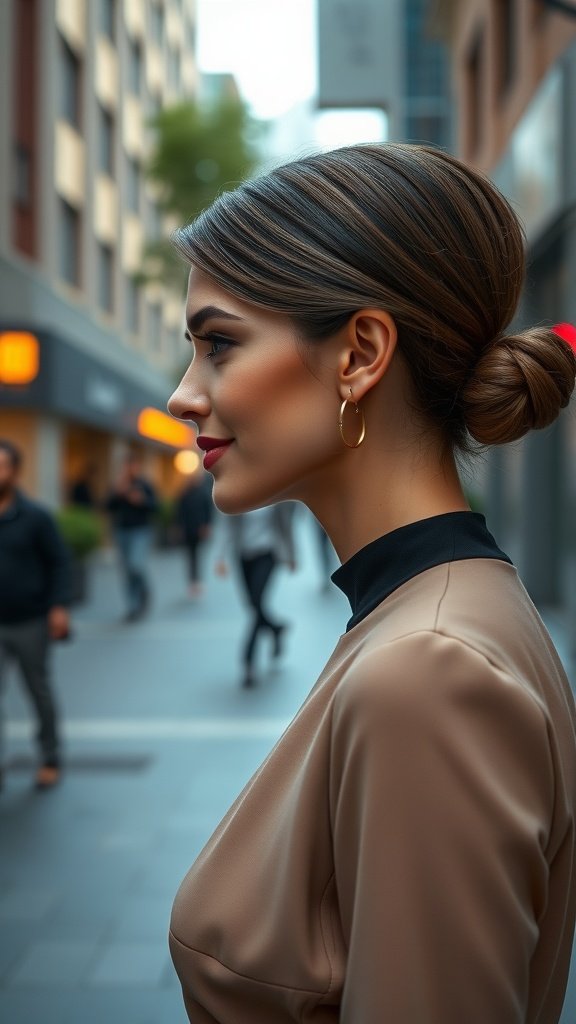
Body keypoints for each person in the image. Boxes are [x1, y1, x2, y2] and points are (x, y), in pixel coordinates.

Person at [166, 144, 576, 1022]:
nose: (183, 394)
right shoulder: (433, 621)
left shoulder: (426, 669)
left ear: (359, 353)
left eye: (218, 345)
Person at [0, 440, 71, 791]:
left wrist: (58, 607)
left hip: (30, 620)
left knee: (38, 691)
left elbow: (59, 563)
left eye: (2, 466)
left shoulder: (36, 517)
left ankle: (50, 757)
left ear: (15, 471)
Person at [215, 505, 296, 688]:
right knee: (253, 605)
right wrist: (220, 557)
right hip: (243, 555)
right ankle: (276, 628)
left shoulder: (275, 498)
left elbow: (285, 525)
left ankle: (248, 662)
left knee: (257, 603)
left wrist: (291, 554)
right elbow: (227, 525)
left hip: (268, 554)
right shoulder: (243, 495)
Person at [106, 453, 157, 622]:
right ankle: (132, 606)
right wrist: (117, 493)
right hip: (122, 531)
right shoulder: (119, 485)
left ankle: (144, 590)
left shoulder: (144, 485)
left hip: (140, 531)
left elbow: (155, 506)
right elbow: (107, 507)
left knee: (136, 565)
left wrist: (141, 501)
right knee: (126, 570)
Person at [176, 468, 214, 598]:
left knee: (197, 556)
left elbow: (208, 511)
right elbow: (180, 512)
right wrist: (179, 527)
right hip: (188, 529)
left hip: (199, 529)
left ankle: (197, 580)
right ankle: (192, 581)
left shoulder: (202, 493)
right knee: (190, 556)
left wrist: (207, 525)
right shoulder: (184, 493)